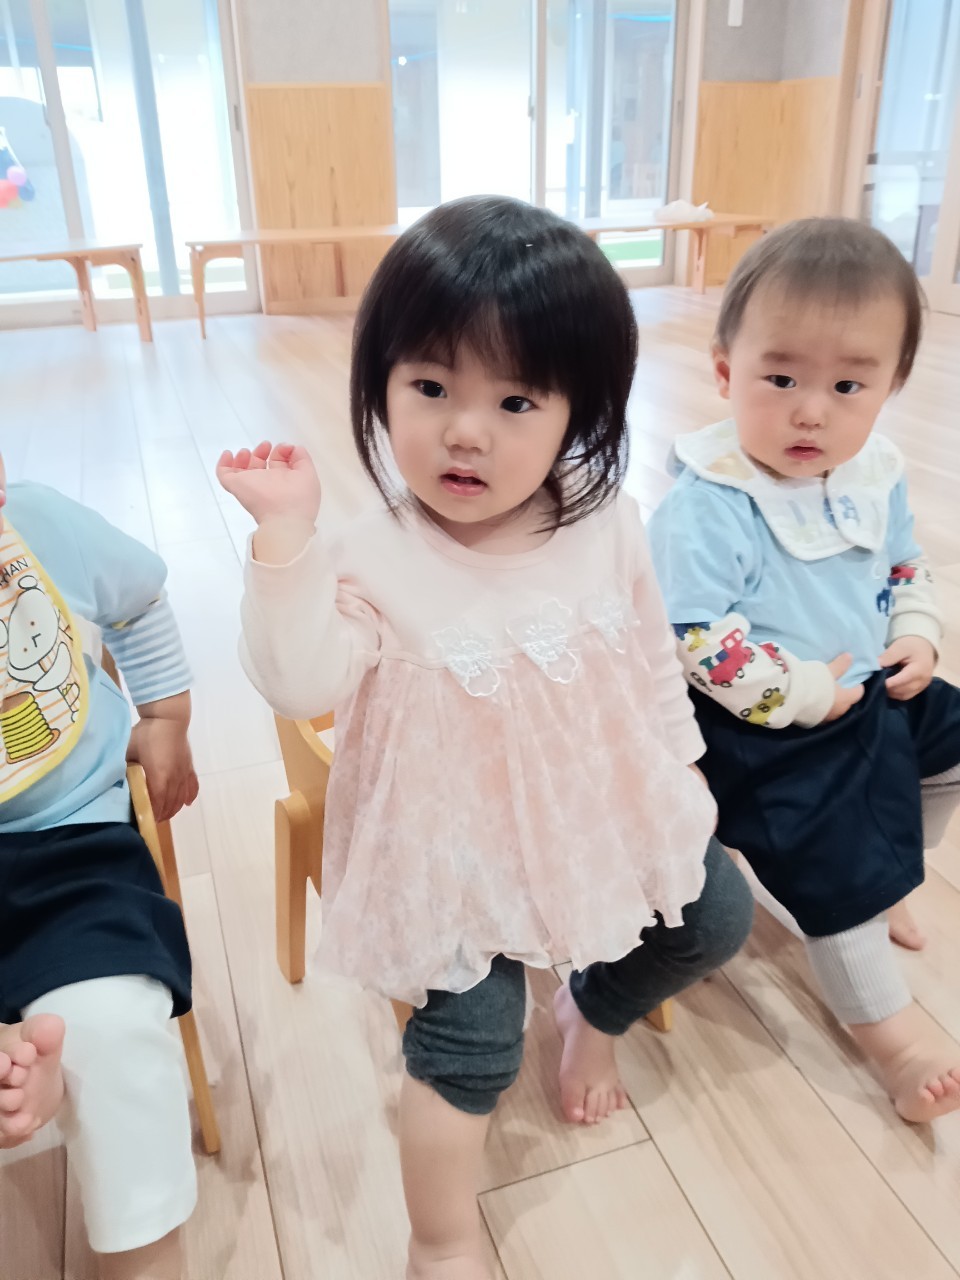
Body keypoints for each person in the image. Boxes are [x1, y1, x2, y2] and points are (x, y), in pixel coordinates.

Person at [218, 195, 754, 1280]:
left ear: (578, 413)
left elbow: (651, 661)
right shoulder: (371, 557)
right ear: (379, 386)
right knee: (469, 1041)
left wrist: (682, 774)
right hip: (447, 843)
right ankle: (442, 1235)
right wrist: (285, 538)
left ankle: (594, 1011)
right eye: (430, 388)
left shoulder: (606, 521)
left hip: (595, 801)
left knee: (719, 917)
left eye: (515, 400)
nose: (466, 431)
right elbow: (297, 679)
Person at [647, 217, 960, 1125]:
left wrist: (917, 632)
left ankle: (895, 869)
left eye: (848, 385)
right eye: (780, 379)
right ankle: (895, 1042)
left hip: (870, 688)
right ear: (725, 372)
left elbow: (903, 565)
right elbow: (697, 638)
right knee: (839, 867)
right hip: (762, 724)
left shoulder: (873, 472)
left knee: (949, 747)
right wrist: (807, 693)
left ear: (890, 386)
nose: (811, 411)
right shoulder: (713, 502)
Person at [0, 454, 199, 1280]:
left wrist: (165, 715)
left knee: (114, 1031)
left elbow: (138, 595)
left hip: (69, 843)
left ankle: (142, 1259)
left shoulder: (35, 522)